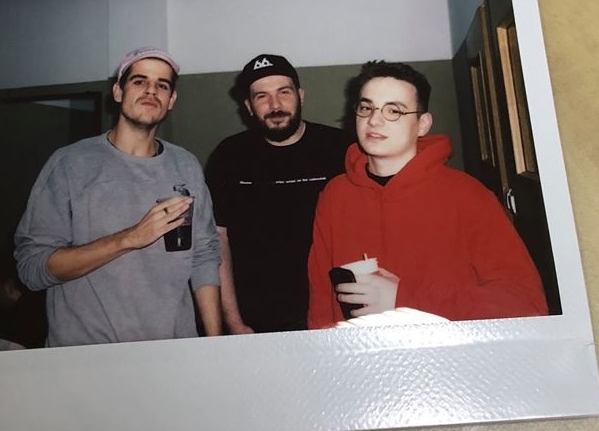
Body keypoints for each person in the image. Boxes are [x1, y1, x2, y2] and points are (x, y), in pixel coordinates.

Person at [307, 60, 548, 328]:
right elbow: (321, 299)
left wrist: (403, 297)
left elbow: (527, 303)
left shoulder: (468, 195)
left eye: (394, 111)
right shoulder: (335, 194)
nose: (374, 120)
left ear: (422, 124)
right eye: (366, 107)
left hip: (443, 351)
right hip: (358, 351)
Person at [14, 47, 222, 347]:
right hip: (88, 354)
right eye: (139, 81)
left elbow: (204, 255)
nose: (151, 90)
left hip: (172, 351)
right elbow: (32, 268)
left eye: (162, 85)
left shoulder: (186, 165)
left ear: (171, 100)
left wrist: (215, 345)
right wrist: (129, 239)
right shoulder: (70, 163)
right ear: (117, 91)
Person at [205, 54, 353, 334]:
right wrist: (233, 321)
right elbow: (217, 241)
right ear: (248, 106)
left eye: (284, 92)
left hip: (331, 318)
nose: (275, 105)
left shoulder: (340, 149)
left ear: (300, 95)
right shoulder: (229, 156)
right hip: (255, 323)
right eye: (262, 96)